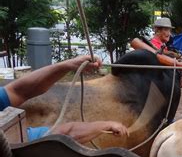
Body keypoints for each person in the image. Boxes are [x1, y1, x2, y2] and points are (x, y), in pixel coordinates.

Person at [0, 55, 129, 143]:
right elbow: (65, 134)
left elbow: (18, 91)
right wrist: (106, 125)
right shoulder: (11, 137)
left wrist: (68, 65)